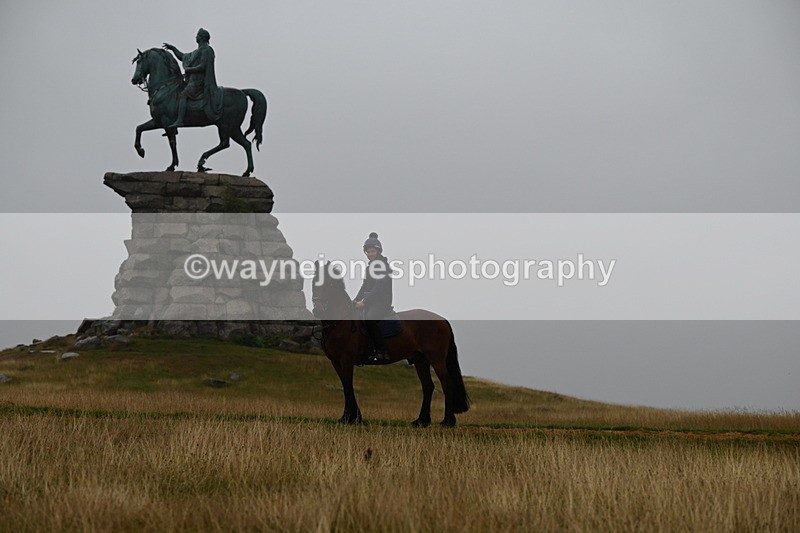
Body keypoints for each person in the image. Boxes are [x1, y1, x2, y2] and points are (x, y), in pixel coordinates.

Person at [162, 28, 223, 128]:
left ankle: (180, 120)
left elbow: (203, 66)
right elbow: (183, 57)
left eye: (197, 35)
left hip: (199, 82)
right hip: (192, 81)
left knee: (183, 94)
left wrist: (189, 70)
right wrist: (173, 48)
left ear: (202, 37)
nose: (196, 37)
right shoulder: (197, 52)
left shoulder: (206, 50)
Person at [354, 232, 394, 362]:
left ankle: (381, 350)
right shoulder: (369, 268)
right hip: (370, 302)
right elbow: (364, 286)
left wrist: (364, 301)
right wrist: (355, 300)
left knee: (370, 319)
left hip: (381, 303)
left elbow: (379, 287)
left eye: (373, 251)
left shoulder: (383, 266)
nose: (370, 254)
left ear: (378, 251)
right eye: (368, 252)